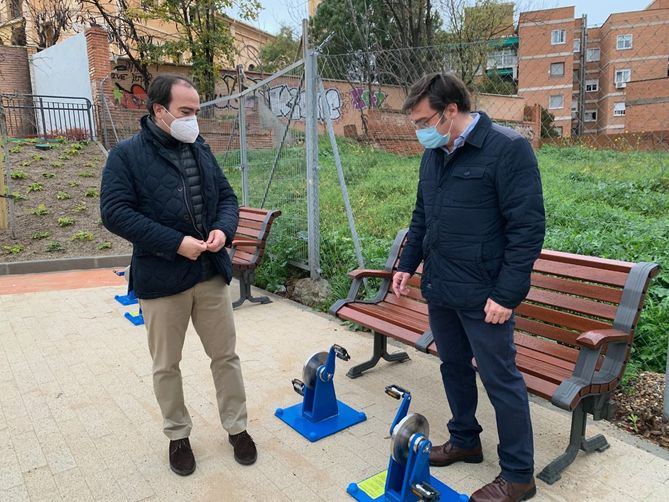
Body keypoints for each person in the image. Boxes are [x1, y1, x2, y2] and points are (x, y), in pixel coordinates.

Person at [393, 73, 545, 502]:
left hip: (485, 295)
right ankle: (465, 439)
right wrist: (407, 264)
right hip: (441, 286)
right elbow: (422, 215)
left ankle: (518, 476)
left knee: (501, 380)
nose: (418, 129)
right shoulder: (435, 153)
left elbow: (527, 228)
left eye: (424, 119)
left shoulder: (506, 149)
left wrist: (507, 294)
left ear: (451, 111)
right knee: (453, 367)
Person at [100, 74, 256, 476]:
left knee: (226, 357)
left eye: (196, 112)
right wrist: (174, 243)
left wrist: (224, 229)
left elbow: (226, 197)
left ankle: (236, 428)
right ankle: (178, 436)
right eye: (185, 112)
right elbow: (114, 213)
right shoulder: (126, 156)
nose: (194, 120)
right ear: (159, 111)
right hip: (161, 279)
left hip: (208, 273)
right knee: (167, 364)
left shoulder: (199, 147)